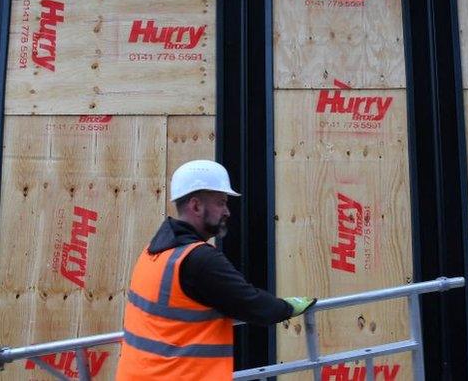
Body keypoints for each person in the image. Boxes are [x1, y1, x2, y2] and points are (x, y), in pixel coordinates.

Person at [115, 160, 317, 380]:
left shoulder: (153, 252)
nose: (228, 212)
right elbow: (253, 305)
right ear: (196, 206)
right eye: (221, 203)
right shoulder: (198, 259)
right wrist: (288, 307)